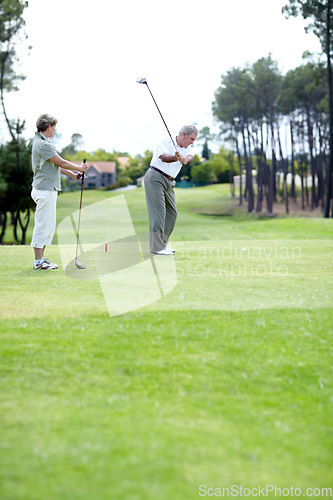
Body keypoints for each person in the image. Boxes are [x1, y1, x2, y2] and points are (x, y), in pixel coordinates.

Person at [31, 114, 88, 270]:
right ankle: (38, 261)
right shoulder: (43, 145)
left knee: (47, 226)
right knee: (43, 226)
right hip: (45, 190)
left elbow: (56, 166)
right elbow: (60, 161)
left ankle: (41, 259)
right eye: (54, 127)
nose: (55, 130)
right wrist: (79, 167)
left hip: (46, 189)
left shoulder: (43, 142)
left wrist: (73, 174)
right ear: (49, 127)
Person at [144, 124, 198, 255]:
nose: (192, 142)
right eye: (191, 139)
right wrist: (175, 157)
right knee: (159, 213)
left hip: (169, 181)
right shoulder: (166, 141)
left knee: (172, 214)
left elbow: (190, 158)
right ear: (184, 134)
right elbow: (163, 157)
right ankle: (156, 248)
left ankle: (161, 245)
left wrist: (183, 159)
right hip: (155, 177)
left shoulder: (188, 149)